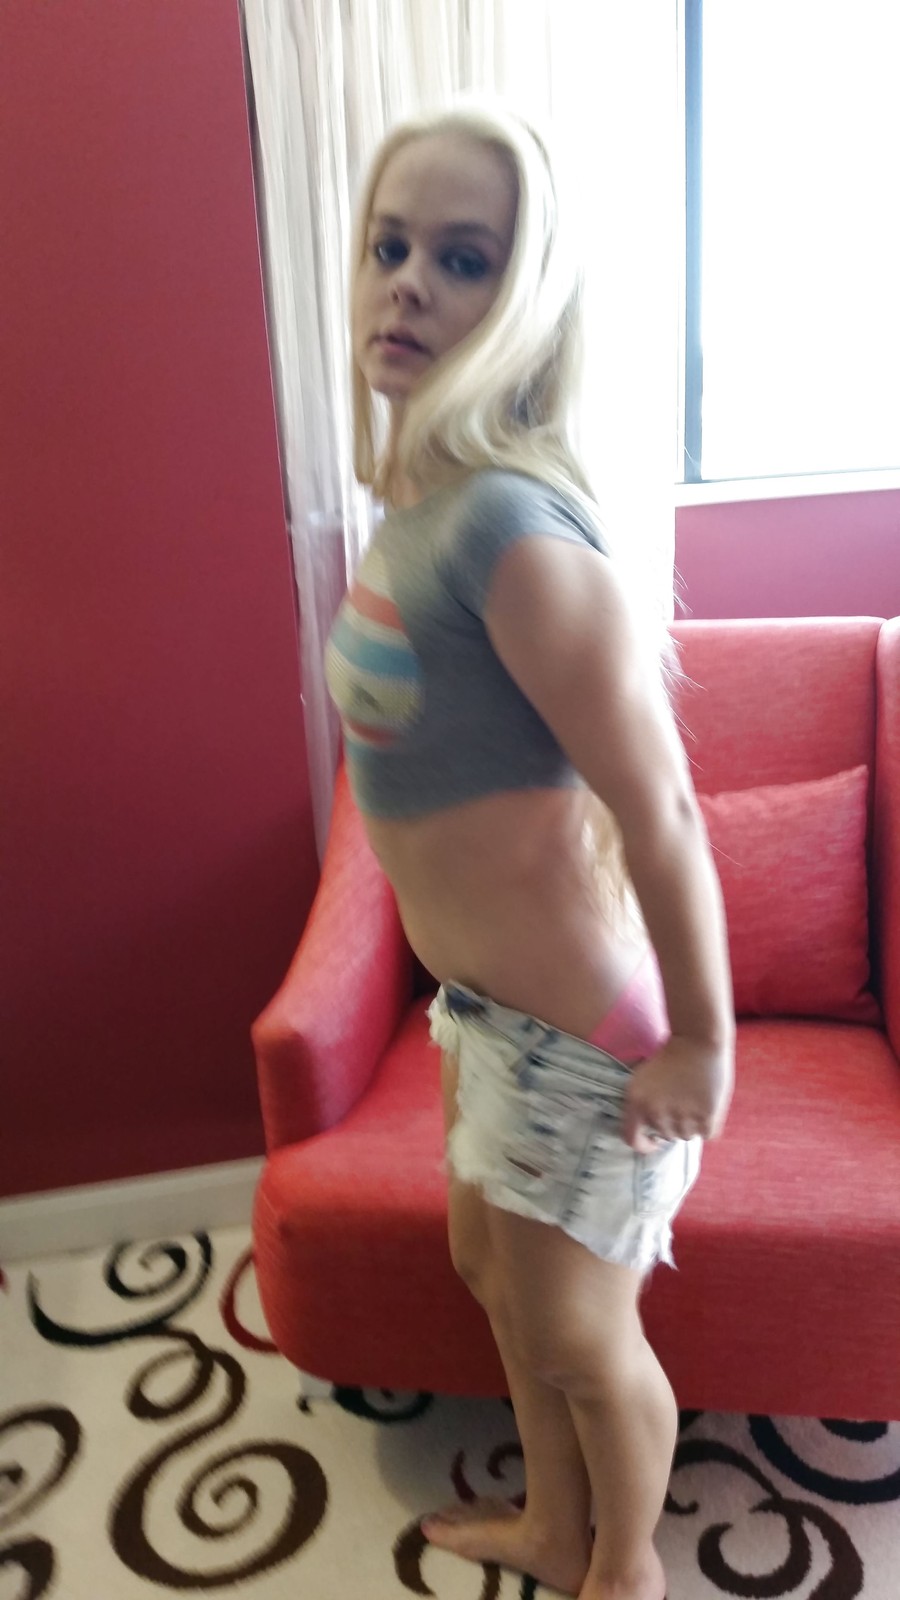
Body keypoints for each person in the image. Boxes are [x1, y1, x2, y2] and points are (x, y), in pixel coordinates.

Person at [325, 100, 734, 1600]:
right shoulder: (418, 505)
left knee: (579, 1331)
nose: (409, 284)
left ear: (530, 297)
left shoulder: (509, 527)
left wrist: (703, 1042)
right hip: (486, 1014)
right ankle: (557, 1528)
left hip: (579, 1036)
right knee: (495, 1277)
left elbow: (661, 806)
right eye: (391, 246)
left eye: (465, 259)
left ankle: (626, 1570)